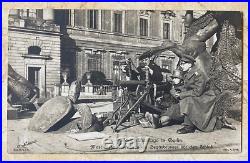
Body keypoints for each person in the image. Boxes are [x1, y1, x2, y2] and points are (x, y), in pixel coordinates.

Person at [172, 54, 218, 134]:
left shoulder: (198, 73)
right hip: (199, 94)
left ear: (190, 64)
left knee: (188, 100)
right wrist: (179, 90)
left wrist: (182, 94)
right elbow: (188, 87)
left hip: (206, 96)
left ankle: (188, 127)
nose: (181, 66)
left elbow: (197, 92)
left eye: (183, 64)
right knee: (182, 97)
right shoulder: (188, 72)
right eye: (181, 63)